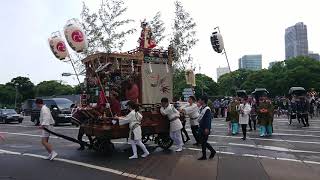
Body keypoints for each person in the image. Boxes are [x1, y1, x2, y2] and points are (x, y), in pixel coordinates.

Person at [197, 95, 216, 160]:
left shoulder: (207, 109)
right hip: (201, 127)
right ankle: (205, 155)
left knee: (203, 142)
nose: (199, 101)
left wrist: (207, 128)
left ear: (203, 100)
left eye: (200, 100)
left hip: (205, 128)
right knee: (203, 142)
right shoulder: (202, 108)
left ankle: (211, 152)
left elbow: (208, 119)